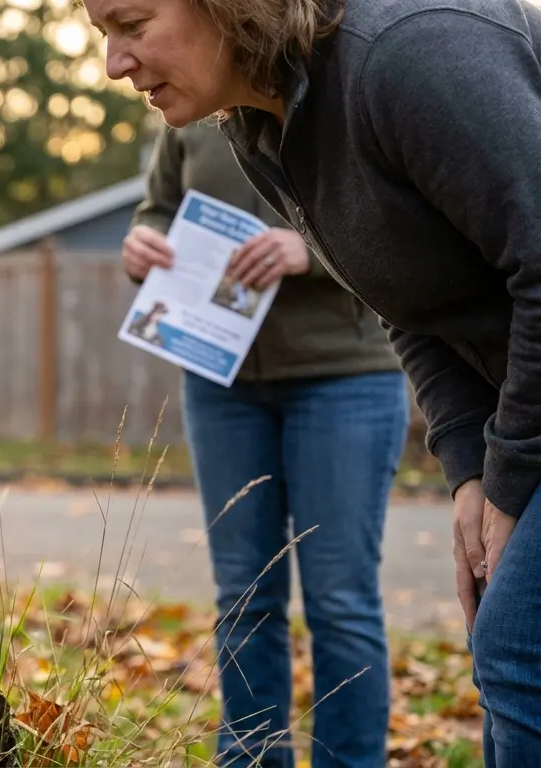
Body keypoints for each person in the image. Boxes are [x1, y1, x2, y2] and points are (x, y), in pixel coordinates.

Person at [83, 0, 541, 763]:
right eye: (104, 35)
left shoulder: (410, 51)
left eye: (131, 24)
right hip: (257, 378)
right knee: (507, 646)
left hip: (363, 381)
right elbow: (410, 299)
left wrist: (513, 472)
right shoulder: (260, 123)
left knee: (518, 648)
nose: (113, 63)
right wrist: (471, 469)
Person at [124, 119, 408, 767]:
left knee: (340, 601)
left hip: (346, 376)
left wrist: (311, 246)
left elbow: (402, 223)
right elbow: (160, 207)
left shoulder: (342, 95)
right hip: (221, 381)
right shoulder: (190, 111)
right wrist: (143, 242)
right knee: (245, 597)